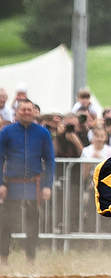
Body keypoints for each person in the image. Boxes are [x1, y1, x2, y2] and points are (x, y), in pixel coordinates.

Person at [0, 100, 55, 264]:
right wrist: (0, 184)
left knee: (33, 225)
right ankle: (3, 258)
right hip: (12, 185)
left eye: (29, 110)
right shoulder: (6, 132)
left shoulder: (43, 133)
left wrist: (47, 186)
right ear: (17, 112)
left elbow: (50, 160)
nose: (26, 112)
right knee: (5, 223)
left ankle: (30, 258)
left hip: (34, 185)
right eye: (23, 110)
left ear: (34, 112)